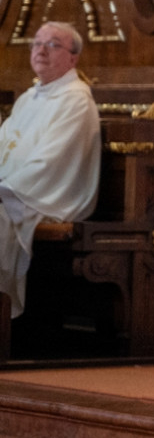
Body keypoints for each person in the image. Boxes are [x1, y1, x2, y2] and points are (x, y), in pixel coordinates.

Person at [0, 23, 101, 318]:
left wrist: (6, 191)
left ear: (73, 58)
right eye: (37, 43)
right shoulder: (29, 98)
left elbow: (50, 163)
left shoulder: (76, 100)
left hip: (46, 199)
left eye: (53, 44)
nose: (41, 50)